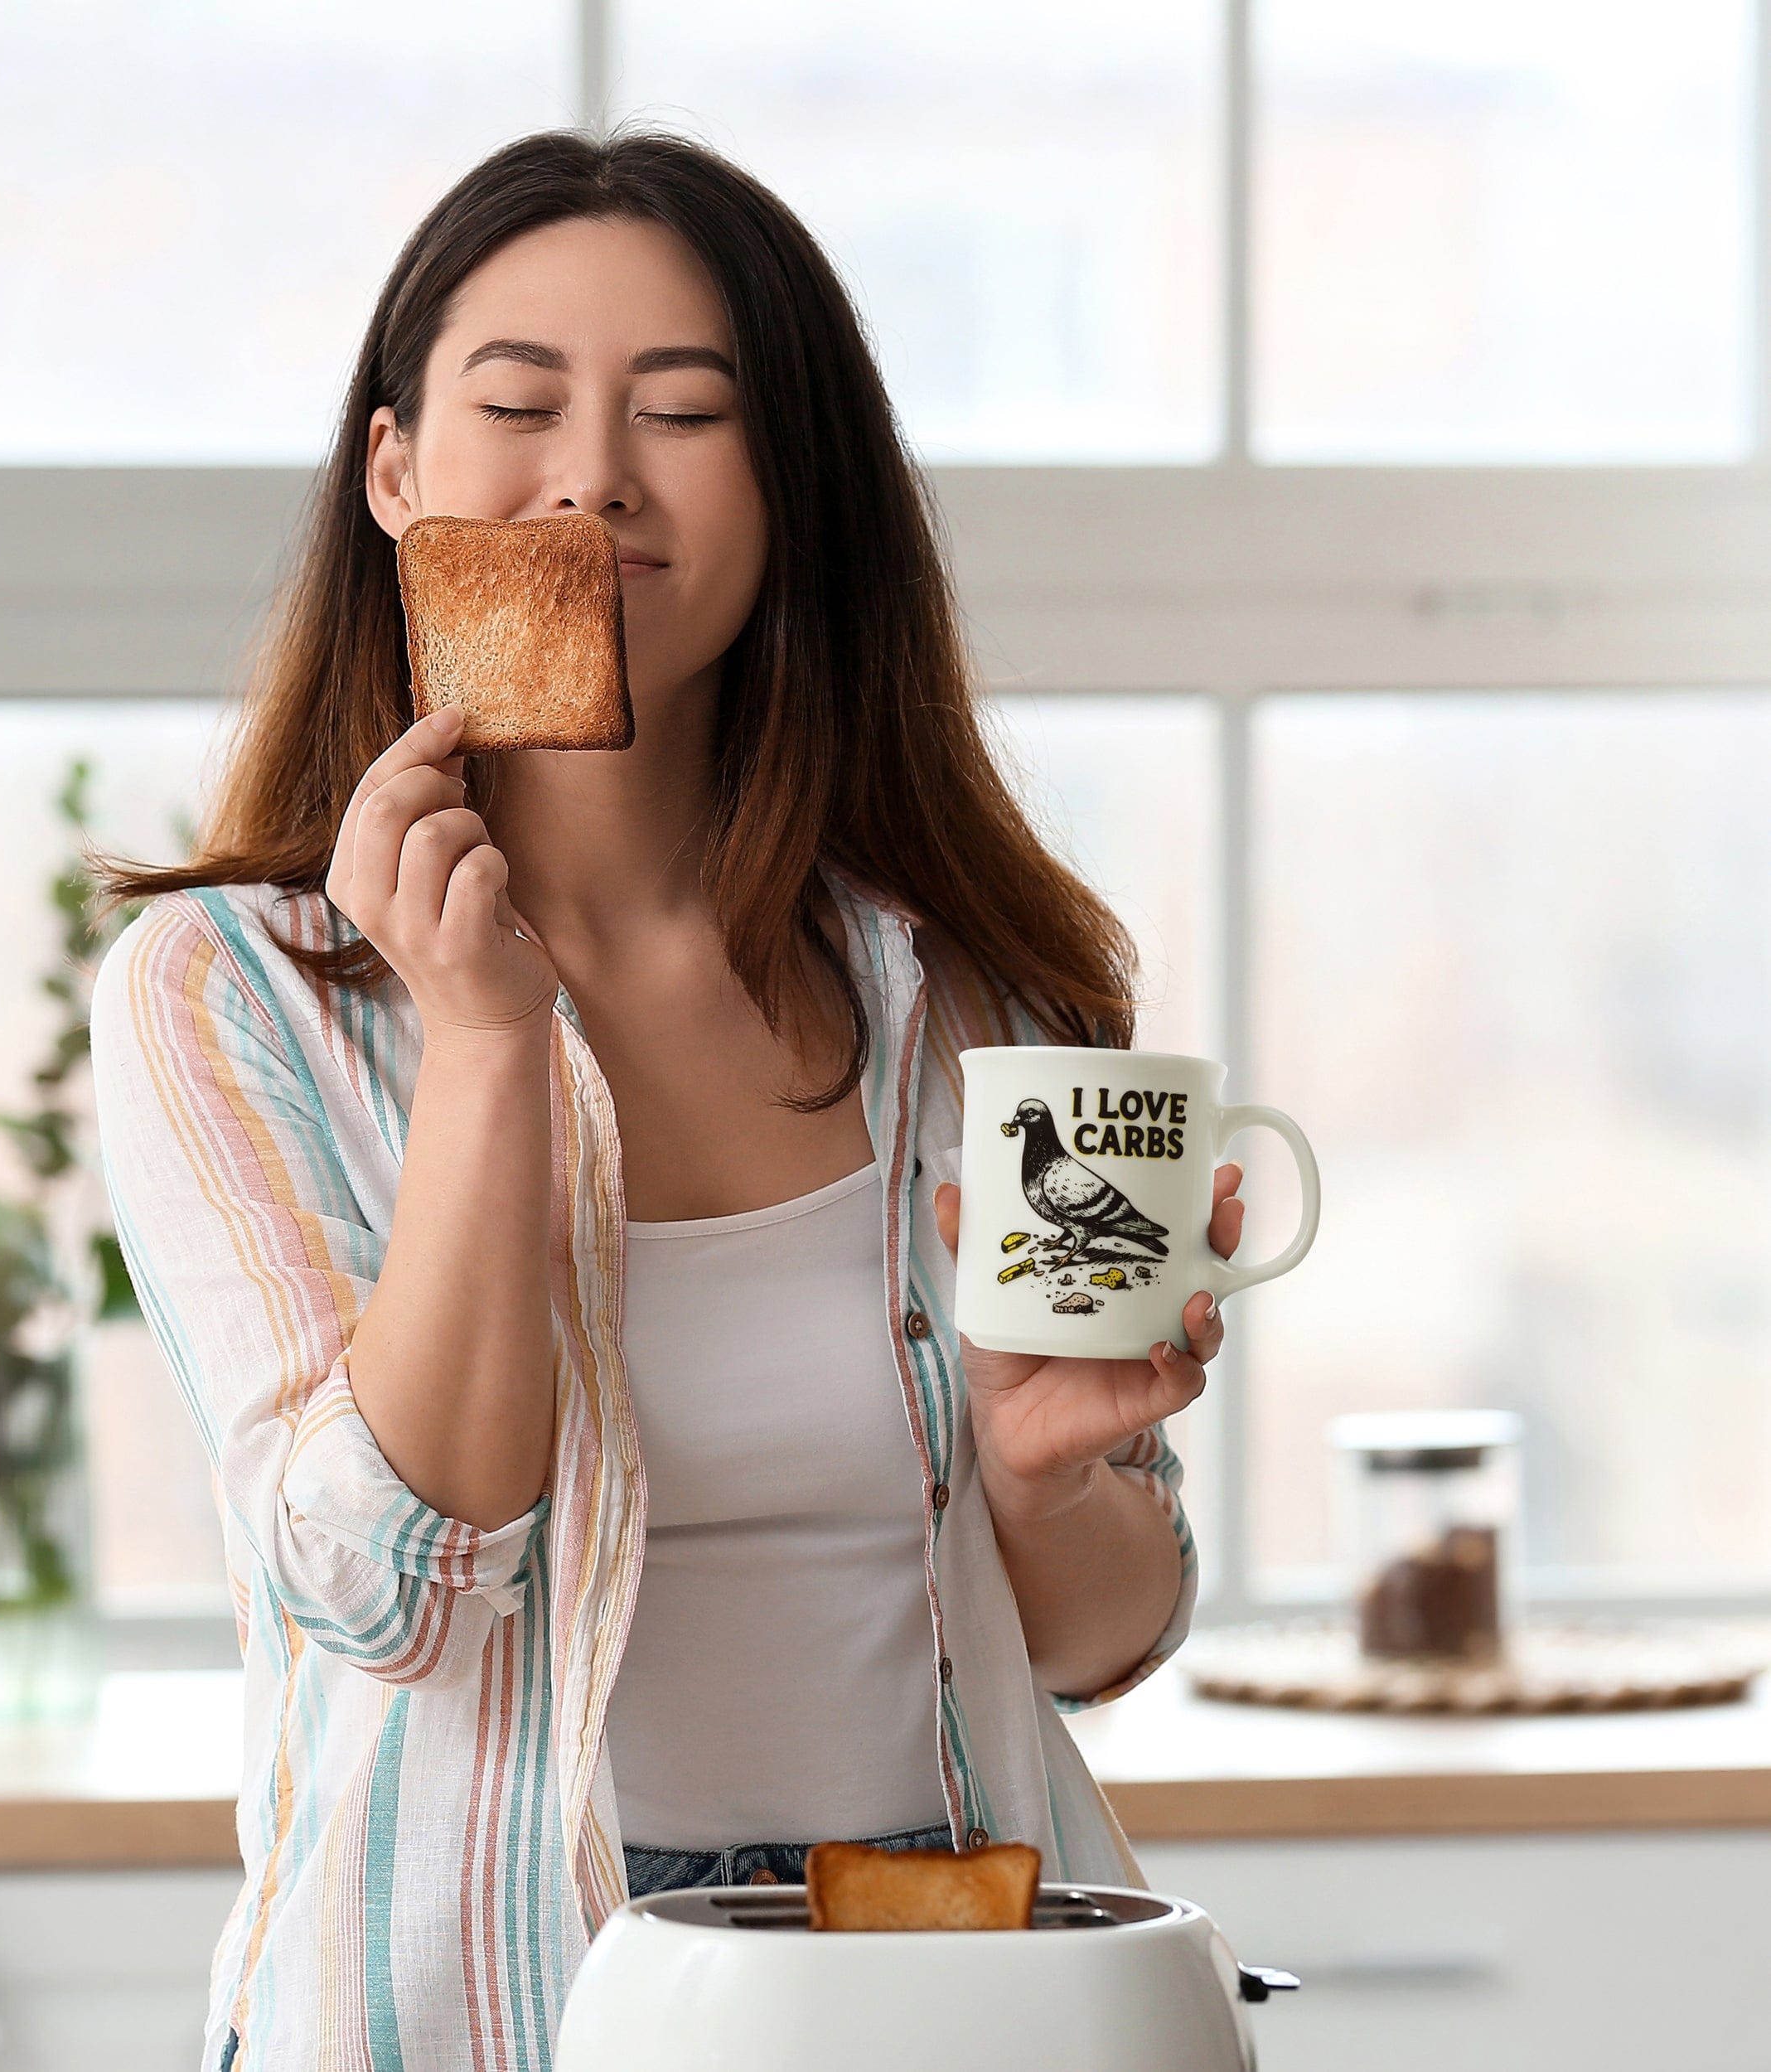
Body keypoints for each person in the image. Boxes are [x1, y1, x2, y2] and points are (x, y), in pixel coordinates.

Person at [87, 124, 1243, 2072]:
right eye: (515, 404)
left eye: (685, 413)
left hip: (963, 1990)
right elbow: (386, 1596)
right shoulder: (230, 997)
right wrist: (479, 1043)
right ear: (394, 472)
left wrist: (1045, 1475)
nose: (593, 474)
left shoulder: (975, 985)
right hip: (482, 2011)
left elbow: (1100, 1634)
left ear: (788, 486)